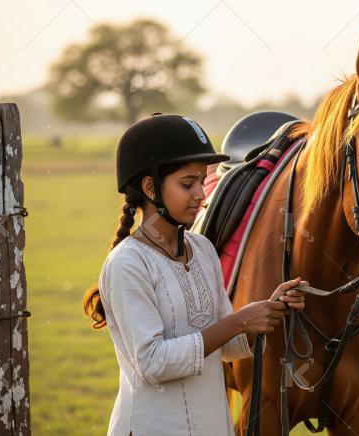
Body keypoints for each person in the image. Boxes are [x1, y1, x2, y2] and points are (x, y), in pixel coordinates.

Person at [82, 113, 306, 435]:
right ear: (150, 187)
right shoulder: (127, 263)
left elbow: (228, 347)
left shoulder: (202, 249)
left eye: (202, 181)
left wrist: (269, 311)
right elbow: (154, 363)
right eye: (188, 184)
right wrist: (240, 320)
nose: (201, 194)